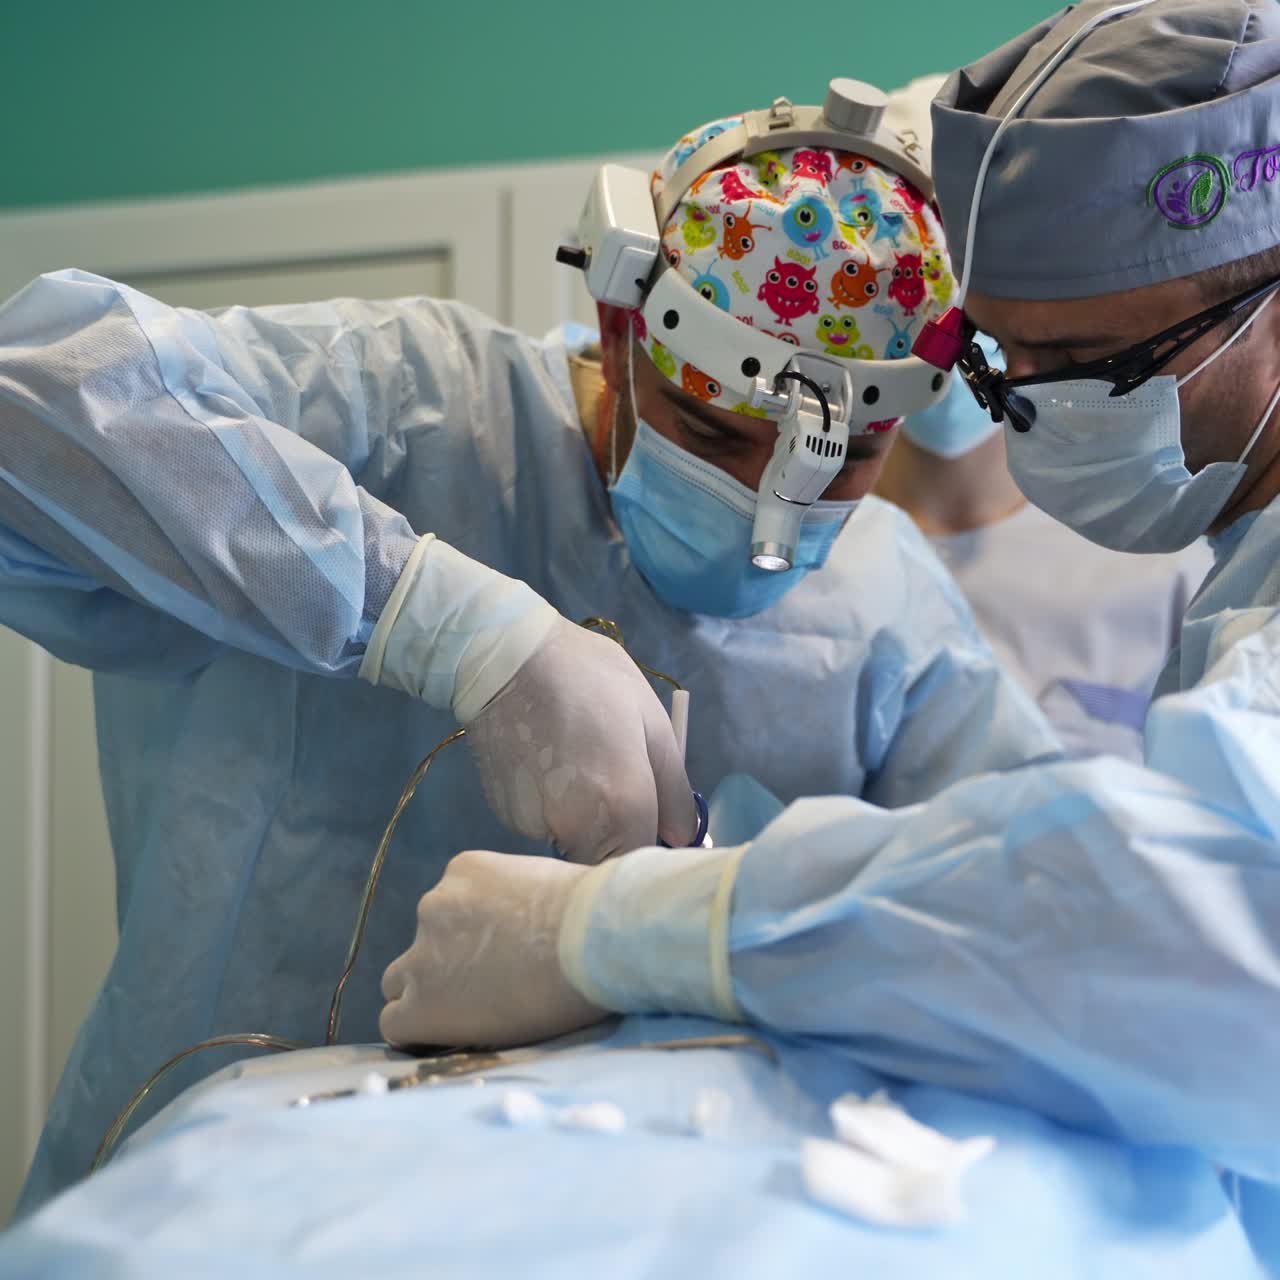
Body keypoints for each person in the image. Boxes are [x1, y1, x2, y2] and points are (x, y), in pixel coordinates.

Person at [0, 101, 1060, 1211]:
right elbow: (38, 393)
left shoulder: (889, 604)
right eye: (712, 435)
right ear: (618, 329)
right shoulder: (416, 408)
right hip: (235, 1192)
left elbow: (1024, 888)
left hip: (618, 1213)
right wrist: (443, 621)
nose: (768, 511)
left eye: (840, 467)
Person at [377, 2, 1280, 1269]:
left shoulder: (893, 593)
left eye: (1090, 365)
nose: (1035, 422)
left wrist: (628, 925)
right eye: (1006, 369)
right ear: (620, 329)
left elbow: (1201, 939)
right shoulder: (1243, 570)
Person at [874, 77, 1212, 762]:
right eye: (918, 278)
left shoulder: (1154, 541)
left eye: (976, 275)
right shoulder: (819, 560)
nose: (951, 312)